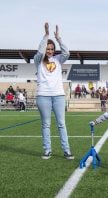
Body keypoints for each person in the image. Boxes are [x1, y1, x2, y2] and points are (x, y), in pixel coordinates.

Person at [34, 22, 74, 160]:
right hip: (43, 96)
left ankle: (66, 150)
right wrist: (46, 35)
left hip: (58, 96)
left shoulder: (58, 59)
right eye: (47, 48)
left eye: (51, 49)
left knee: (61, 124)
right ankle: (47, 150)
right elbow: (39, 51)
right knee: (46, 124)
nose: (49, 51)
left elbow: (67, 52)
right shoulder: (38, 60)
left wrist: (58, 38)